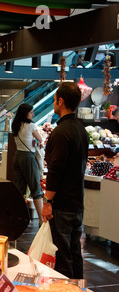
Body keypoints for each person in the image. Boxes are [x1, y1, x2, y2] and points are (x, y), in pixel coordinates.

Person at [42, 82, 89, 279]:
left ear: (60, 101)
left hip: (61, 204)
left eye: (54, 100)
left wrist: (48, 201)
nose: (54, 103)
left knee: (62, 256)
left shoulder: (60, 132)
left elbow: (56, 170)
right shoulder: (81, 130)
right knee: (75, 252)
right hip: (77, 201)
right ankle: (80, 291)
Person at [11, 103, 44, 225]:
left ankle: (18, 217)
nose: (33, 114)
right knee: (36, 189)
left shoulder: (15, 125)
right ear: (25, 113)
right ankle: (41, 220)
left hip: (17, 156)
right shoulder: (31, 126)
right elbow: (40, 140)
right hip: (28, 158)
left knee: (20, 189)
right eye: (31, 112)